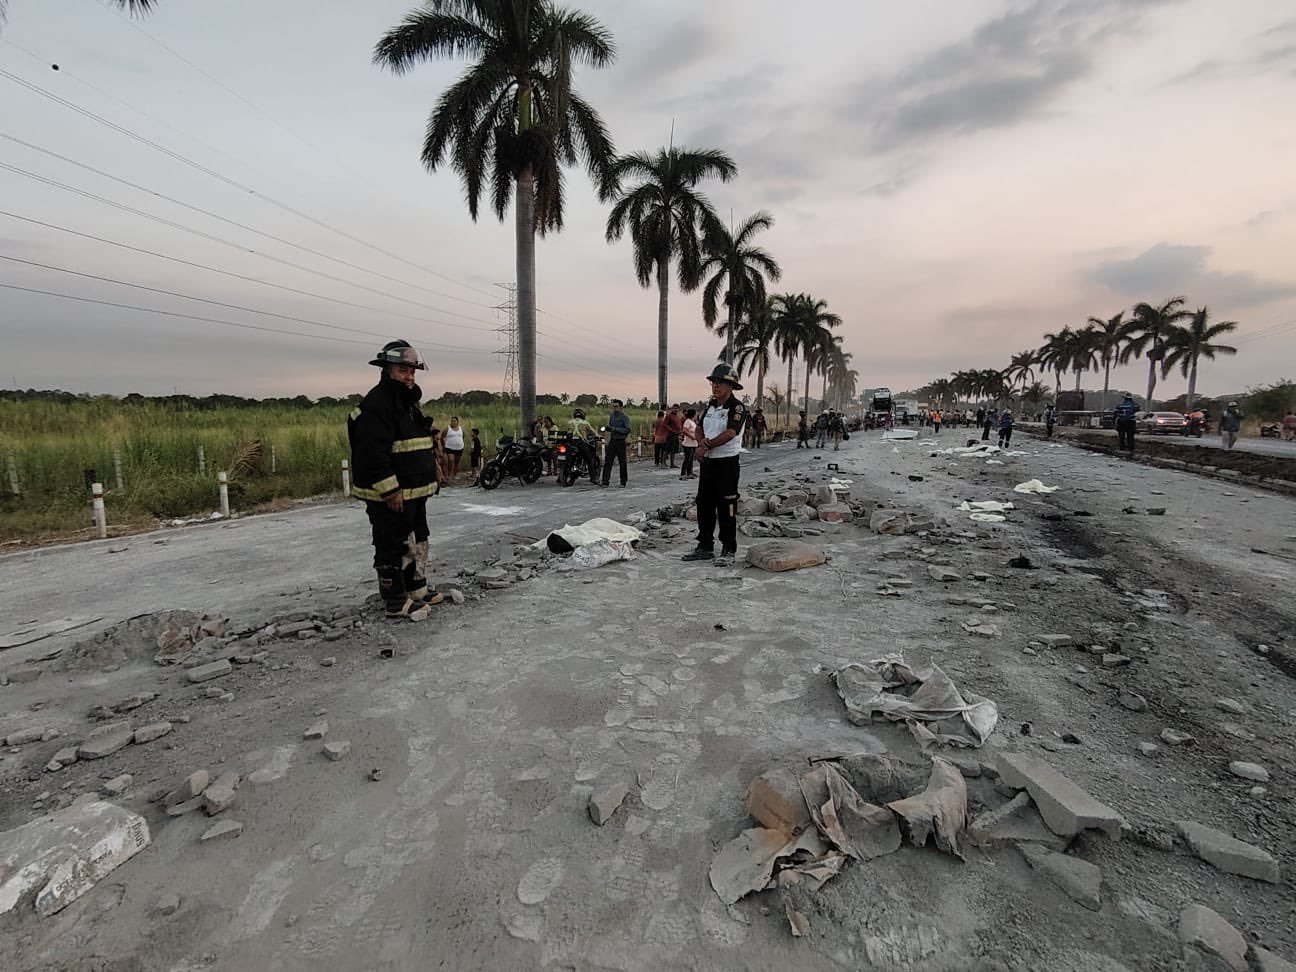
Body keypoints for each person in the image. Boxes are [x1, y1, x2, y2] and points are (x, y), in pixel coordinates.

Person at [347, 340, 439, 620]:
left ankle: (416, 589)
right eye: (403, 371)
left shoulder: (407, 403)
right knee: (393, 544)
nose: (409, 377)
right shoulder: (377, 405)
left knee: (418, 540)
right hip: (390, 495)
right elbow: (372, 454)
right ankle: (395, 599)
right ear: (387, 370)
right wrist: (390, 491)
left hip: (414, 492)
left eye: (412, 372)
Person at [682, 364, 747, 567]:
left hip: (726, 463)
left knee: (726, 505)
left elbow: (730, 433)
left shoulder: (736, 408)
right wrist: (701, 443)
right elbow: (699, 428)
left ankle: (728, 548)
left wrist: (707, 445)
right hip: (708, 463)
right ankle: (705, 546)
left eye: (720, 382)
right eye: (713, 382)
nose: (715, 386)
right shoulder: (711, 406)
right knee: (704, 504)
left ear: (731, 386)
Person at [601, 399, 631, 487]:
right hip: (613, 440)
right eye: (613, 406)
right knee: (608, 462)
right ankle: (605, 481)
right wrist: (608, 429)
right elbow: (610, 427)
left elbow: (627, 429)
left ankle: (623, 481)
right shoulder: (612, 416)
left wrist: (615, 429)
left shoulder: (624, 418)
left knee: (622, 462)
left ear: (621, 407)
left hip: (620, 441)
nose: (615, 408)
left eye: (616, 406)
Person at [567, 408, 600, 483]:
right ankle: (593, 478)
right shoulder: (585, 423)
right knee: (589, 459)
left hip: (570, 443)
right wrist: (598, 436)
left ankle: (560, 478)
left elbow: (568, 431)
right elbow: (592, 431)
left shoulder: (569, 422)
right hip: (580, 442)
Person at [441, 415, 466, 480]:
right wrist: (444, 445)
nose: (453, 422)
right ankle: (449, 475)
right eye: (452, 421)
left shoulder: (461, 429)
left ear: (457, 422)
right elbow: (442, 437)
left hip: (459, 448)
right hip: (449, 448)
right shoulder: (447, 428)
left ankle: (455, 475)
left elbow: (463, 437)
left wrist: (460, 442)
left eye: (454, 421)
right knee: (451, 460)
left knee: (457, 462)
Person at [680, 408, 699, 479]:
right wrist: (692, 437)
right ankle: (683, 473)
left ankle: (690, 472)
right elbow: (684, 431)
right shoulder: (687, 421)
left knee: (691, 459)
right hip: (688, 443)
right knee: (687, 459)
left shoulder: (693, 421)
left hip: (693, 443)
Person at [665, 404, 684, 468]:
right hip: (670, 435)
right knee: (668, 450)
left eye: (677, 408)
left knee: (674, 450)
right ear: (672, 408)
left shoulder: (677, 417)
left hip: (676, 435)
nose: (675, 409)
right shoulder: (669, 416)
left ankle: (672, 464)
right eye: (674, 408)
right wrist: (672, 430)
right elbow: (665, 425)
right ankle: (663, 463)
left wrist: (680, 431)